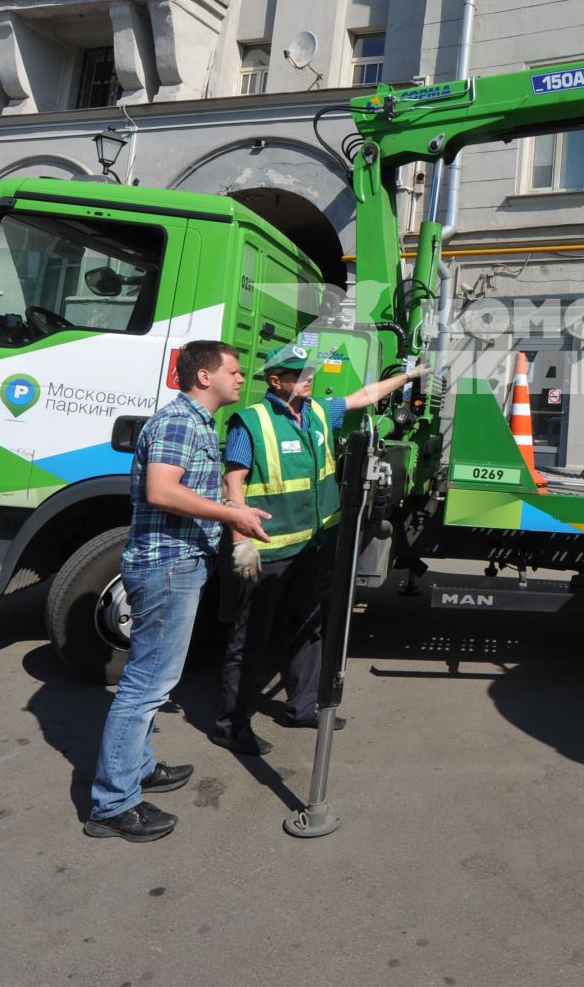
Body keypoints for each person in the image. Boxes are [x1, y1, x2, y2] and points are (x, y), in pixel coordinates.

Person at [84, 341, 272, 843]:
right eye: (233, 370)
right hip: (167, 567)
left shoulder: (196, 423)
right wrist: (233, 514)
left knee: (153, 683)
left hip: (178, 565)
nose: (240, 377)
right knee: (146, 687)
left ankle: (138, 768)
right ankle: (113, 804)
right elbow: (163, 492)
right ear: (205, 377)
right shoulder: (178, 422)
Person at [210, 340, 429, 753]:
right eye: (300, 376)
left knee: (307, 627)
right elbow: (232, 483)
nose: (309, 380)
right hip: (268, 550)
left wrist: (408, 377)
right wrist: (241, 541)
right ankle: (231, 723)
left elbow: (363, 396)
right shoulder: (250, 422)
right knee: (251, 638)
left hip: (311, 546)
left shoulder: (317, 413)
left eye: (309, 374)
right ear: (276, 381)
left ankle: (303, 707)